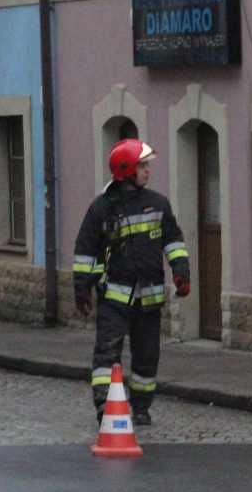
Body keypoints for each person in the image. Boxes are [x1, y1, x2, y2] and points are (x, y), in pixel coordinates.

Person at [72, 138, 191, 426]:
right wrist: (82, 288)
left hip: (149, 299)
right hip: (114, 298)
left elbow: (173, 240)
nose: (148, 171)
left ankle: (140, 408)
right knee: (107, 354)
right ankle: (105, 405)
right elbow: (85, 250)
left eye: (147, 165)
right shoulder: (102, 209)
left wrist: (181, 271)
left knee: (147, 358)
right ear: (126, 170)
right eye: (142, 166)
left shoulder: (158, 204)